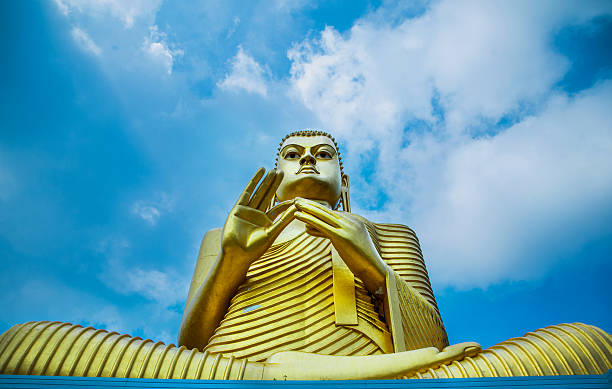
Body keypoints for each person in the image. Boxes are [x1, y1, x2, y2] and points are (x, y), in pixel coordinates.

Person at [0, 130, 610, 380]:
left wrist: (370, 262)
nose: (309, 159)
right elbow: (189, 348)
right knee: (24, 341)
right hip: (240, 374)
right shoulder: (225, 235)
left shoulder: (388, 231)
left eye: (324, 152)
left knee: (585, 340)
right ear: (278, 168)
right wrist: (231, 263)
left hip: (393, 376)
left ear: (345, 178)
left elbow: (429, 336)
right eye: (294, 152)